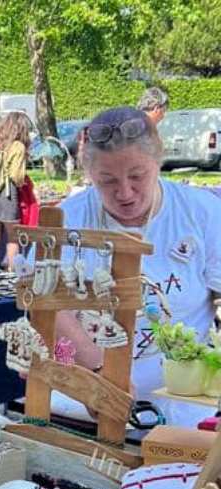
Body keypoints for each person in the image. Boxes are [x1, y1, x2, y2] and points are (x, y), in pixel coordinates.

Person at [54, 106, 221, 426]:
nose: (125, 193)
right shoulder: (67, 219)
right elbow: (49, 307)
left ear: (158, 161)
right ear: (90, 175)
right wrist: (100, 374)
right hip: (81, 405)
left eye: (137, 176)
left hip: (182, 410)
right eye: (107, 181)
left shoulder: (202, 214)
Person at [0, 111, 34, 268]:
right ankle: (13, 276)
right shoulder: (18, 146)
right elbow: (16, 175)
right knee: (12, 238)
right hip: (8, 194)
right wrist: (23, 182)